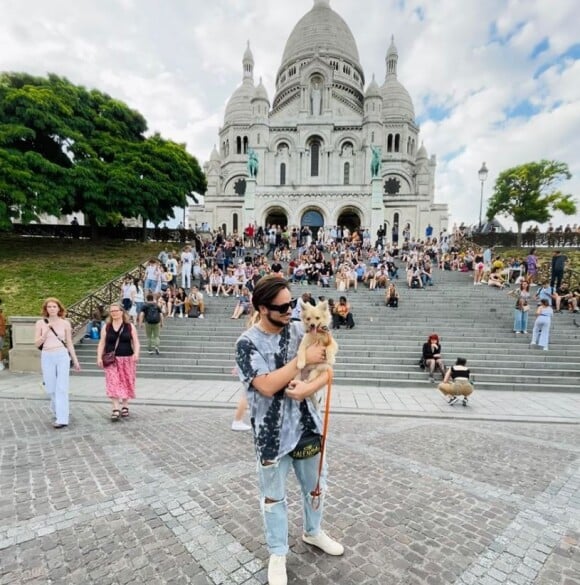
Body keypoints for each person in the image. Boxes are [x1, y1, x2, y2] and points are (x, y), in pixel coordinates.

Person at [235, 276, 343, 585]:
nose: (290, 312)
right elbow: (267, 385)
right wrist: (301, 362)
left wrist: (308, 385)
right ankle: (278, 553)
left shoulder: (302, 329)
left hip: (307, 424)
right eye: (282, 307)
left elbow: (328, 371)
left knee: (315, 485)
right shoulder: (247, 343)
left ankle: (313, 531)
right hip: (271, 435)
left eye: (292, 304)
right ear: (261, 308)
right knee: (274, 497)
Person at [34, 297, 81, 428]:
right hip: (47, 355)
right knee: (50, 386)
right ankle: (56, 407)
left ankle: (62, 418)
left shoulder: (65, 323)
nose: (52, 309)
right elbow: (36, 343)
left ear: (59, 308)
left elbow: (69, 343)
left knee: (62, 387)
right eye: (49, 307)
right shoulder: (40, 323)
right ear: (46, 309)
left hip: (61, 355)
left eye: (54, 306)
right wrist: (45, 333)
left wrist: (75, 360)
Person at [97, 303, 140, 421]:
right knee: (113, 382)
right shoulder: (106, 327)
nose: (114, 313)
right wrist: (99, 357)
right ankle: (115, 408)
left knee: (126, 381)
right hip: (111, 360)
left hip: (127, 358)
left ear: (122, 312)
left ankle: (125, 405)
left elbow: (136, 342)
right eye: (112, 311)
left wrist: (136, 353)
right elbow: (102, 343)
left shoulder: (129, 326)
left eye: (116, 310)